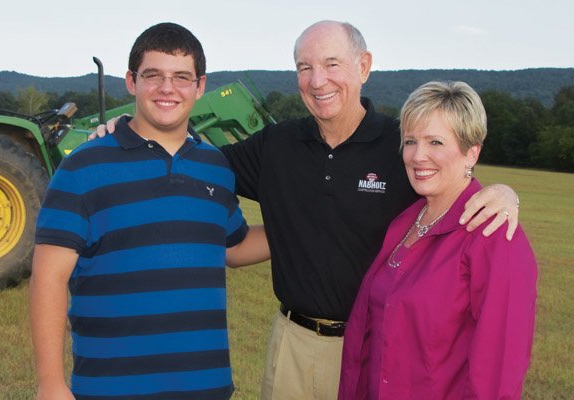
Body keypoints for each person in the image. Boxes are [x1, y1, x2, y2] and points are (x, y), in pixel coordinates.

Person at [94, 20, 520, 400]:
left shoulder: (401, 146)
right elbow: (197, 161)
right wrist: (132, 129)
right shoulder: (277, 145)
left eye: (332, 64)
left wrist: (503, 192)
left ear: (364, 66)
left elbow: (448, 183)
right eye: (304, 67)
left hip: (371, 344)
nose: (318, 81)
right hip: (292, 342)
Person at [29, 22, 269, 400]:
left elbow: (233, 247)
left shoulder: (215, 167)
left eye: (181, 77)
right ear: (131, 81)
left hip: (204, 387)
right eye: (153, 75)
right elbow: (48, 278)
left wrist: (303, 225)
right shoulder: (82, 167)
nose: (167, 88)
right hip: (110, 389)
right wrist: (51, 385)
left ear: (200, 86)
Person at [339, 81, 537, 399]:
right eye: (410, 141)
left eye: (435, 142)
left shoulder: (494, 236)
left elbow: (498, 373)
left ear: (472, 151)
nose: (418, 156)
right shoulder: (405, 221)